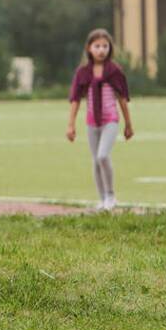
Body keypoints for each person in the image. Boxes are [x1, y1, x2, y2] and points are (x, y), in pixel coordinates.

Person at [66, 28, 134, 210]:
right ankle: (102, 198)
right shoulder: (83, 73)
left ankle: (111, 195)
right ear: (89, 48)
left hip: (110, 120)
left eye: (105, 46)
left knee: (103, 156)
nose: (101, 50)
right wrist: (71, 125)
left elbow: (122, 99)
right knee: (95, 160)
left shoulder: (114, 71)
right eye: (97, 46)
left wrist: (128, 124)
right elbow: (76, 100)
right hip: (91, 122)